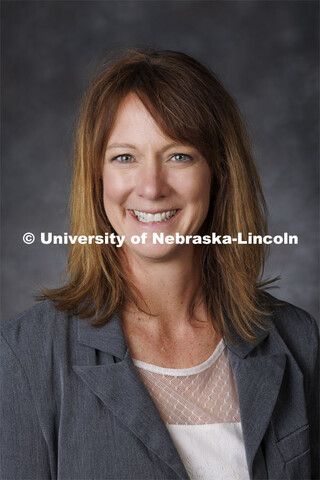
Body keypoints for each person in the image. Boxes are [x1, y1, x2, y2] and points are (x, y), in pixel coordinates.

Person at [1, 49, 318, 480]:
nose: (151, 187)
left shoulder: (299, 339)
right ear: (96, 177)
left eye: (179, 156)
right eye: (124, 157)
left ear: (219, 172)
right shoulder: (25, 354)